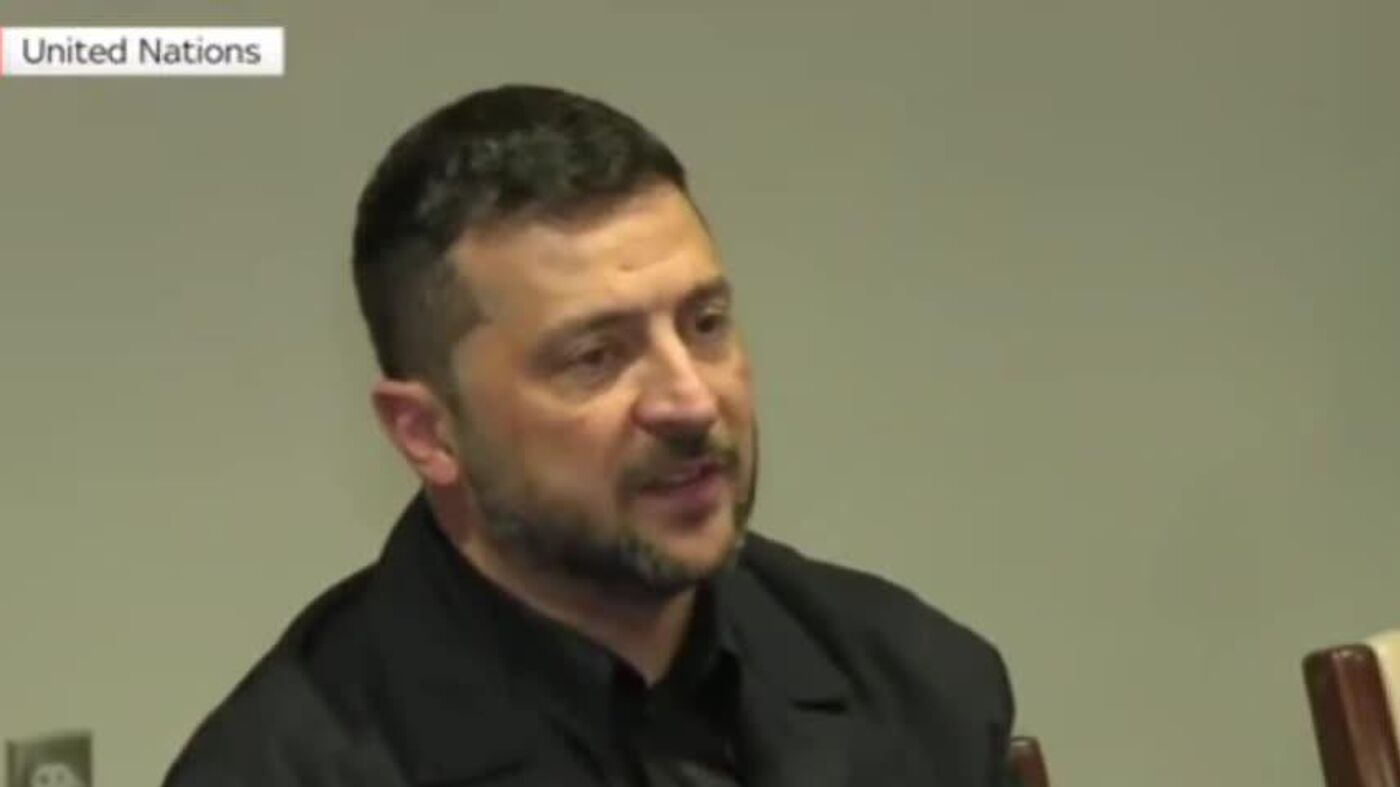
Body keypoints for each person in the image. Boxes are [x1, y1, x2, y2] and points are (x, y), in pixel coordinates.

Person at [162, 84, 1017, 787]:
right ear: (428, 433)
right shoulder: (283, 765)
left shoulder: (919, 683)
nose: (690, 400)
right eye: (595, 357)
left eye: (706, 323)